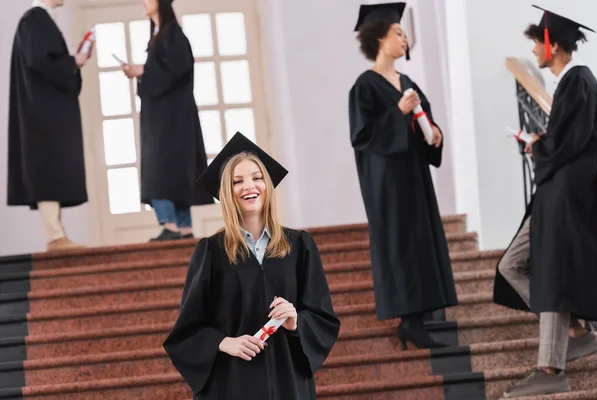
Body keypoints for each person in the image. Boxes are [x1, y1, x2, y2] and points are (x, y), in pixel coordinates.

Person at [163, 132, 340, 399]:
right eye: (238, 181)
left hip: (287, 382)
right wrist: (224, 342)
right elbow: (187, 330)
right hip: (231, 384)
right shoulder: (212, 252)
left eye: (257, 178)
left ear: (267, 185)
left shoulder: (299, 246)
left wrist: (295, 322)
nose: (250, 186)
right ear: (226, 192)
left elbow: (323, 317)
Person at [494, 5, 597, 397]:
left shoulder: (579, 81)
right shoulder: (573, 83)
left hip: (567, 197)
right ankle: (577, 330)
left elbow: (569, 144)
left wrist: (538, 145)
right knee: (513, 264)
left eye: (537, 42)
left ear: (551, 43)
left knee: (552, 270)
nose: (534, 51)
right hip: (555, 195)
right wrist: (540, 146)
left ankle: (551, 368)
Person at [348, 2, 457, 350]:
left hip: (413, 174)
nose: (405, 38)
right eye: (398, 32)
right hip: (387, 182)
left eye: (405, 33)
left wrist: (434, 134)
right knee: (400, 242)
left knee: (421, 238)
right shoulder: (364, 86)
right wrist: (397, 113)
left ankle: (422, 317)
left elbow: (422, 120)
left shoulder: (407, 81)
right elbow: (362, 137)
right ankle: (409, 320)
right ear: (379, 37)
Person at [123, 0, 213, 242]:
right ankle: (182, 227)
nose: (144, 1)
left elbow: (177, 69)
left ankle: (173, 225)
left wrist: (144, 71)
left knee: (162, 171)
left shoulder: (172, 34)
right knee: (172, 171)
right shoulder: (160, 34)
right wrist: (144, 71)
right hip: (167, 119)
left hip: (171, 121)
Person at [7, 0, 92, 252]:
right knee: (46, 172)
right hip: (43, 116)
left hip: (44, 114)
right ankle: (54, 236)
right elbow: (40, 60)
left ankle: (57, 234)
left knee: (50, 173)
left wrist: (70, 61)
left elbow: (47, 61)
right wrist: (74, 61)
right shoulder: (35, 18)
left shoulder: (38, 19)